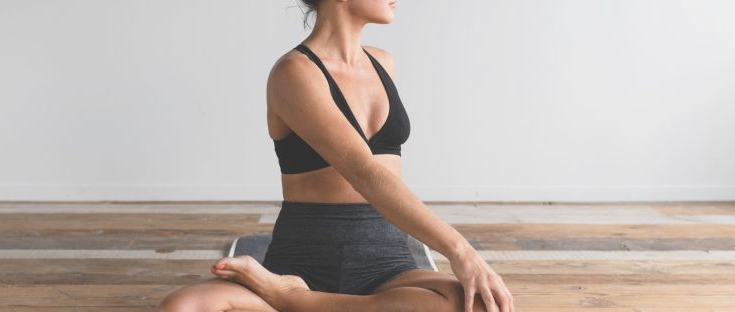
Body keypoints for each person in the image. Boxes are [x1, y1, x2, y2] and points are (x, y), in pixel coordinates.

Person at [157, 1, 514, 311]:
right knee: (183, 307)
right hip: (304, 260)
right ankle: (296, 293)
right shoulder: (294, 73)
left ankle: (294, 302)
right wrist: (462, 252)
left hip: (386, 265)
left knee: (483, 304)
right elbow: (364, 172)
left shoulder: (382, 63)